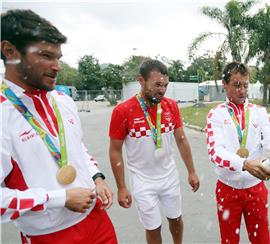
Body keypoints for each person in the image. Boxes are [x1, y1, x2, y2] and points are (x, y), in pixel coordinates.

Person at [0, 9, 117, 243]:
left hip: (97, 219)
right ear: (10, 51)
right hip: (49, 235)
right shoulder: (3, 112)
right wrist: (59, 198)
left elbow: (78, 148)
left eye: (58, 57)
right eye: (46, 55)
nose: (57, 66)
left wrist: (97, 177)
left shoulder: (63, 101)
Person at [205, 61, 270, 244]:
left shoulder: (259, 112)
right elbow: (215, 152)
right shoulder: (216, 114)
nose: (242, 91)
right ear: (224, 84)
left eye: (245, 85)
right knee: (229, 241)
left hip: (256, 188)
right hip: (227, 188)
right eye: (236, 85)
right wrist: (243, 163)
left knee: (262, 240)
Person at [109, 59, 200, 244]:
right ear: (141, 80)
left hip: (169, 177)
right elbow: (115, 150)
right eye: (157, 84)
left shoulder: (171, 106)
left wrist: (191, 171)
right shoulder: (123, 111)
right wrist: (121, 187)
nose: (162, 90)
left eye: (165, 85)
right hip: (143, 181)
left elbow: (181, 140)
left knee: (176, 219)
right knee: (153, 227)